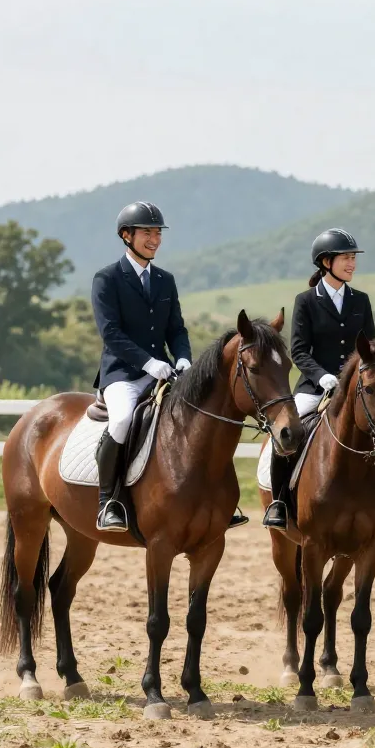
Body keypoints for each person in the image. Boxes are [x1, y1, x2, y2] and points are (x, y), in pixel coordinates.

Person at [91, 202, 245, 531]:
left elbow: (176, 329)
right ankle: (108, 501)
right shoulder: (107, 278)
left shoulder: (164, 280)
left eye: (158, 233)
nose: (155, 239)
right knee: (122, 420)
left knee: (201, 418)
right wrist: (148, 363)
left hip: (165, 372)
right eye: (147, 232)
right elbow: (111, 334)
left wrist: (183, 358)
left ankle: (217, 498)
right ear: (126, 235)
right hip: (122, 373)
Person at [263, 228, 375, 534]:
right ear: (326, 262)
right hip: (315, 388)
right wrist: (322, 376)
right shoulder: (306, 301)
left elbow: (370, 348)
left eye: (353, 258)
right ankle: (279, 503)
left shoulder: (361, 300)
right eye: (346, 258)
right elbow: (299, 350)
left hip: (359, 388)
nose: (352, 264)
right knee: (285, 437)